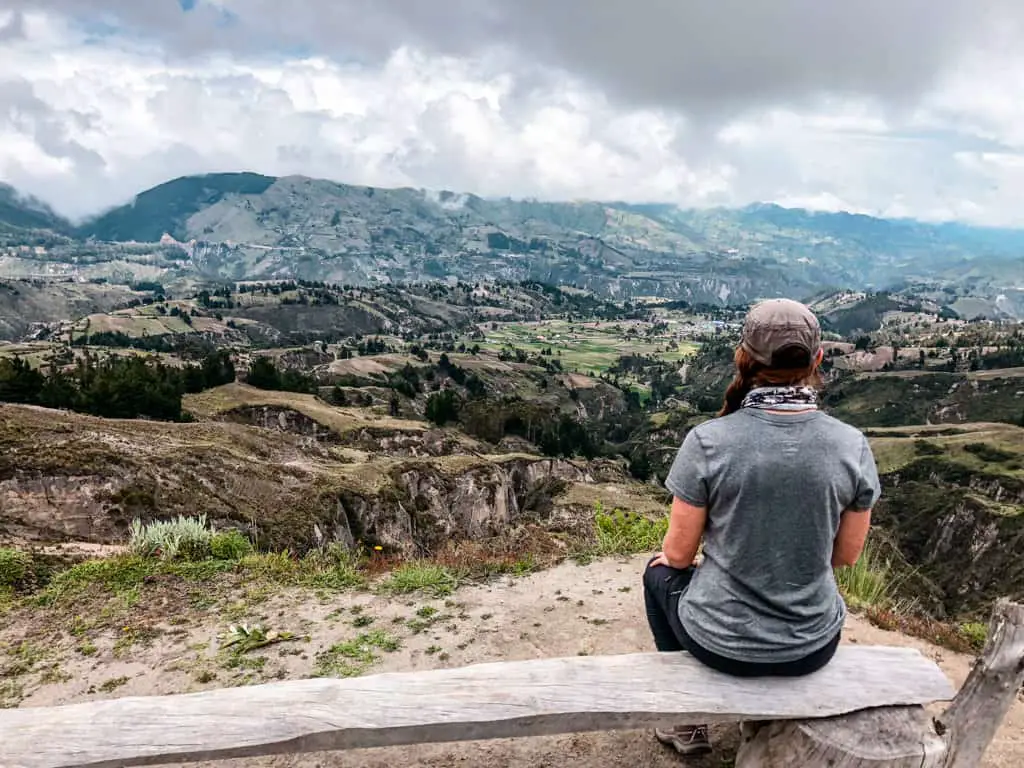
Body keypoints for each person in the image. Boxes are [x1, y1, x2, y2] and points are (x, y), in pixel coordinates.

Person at [642, 298, 881, 757]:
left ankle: (686, 721)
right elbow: (845, 557)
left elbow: (677, 556)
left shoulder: (709, 441)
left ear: (743, 358)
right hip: (811, 644)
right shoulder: (851, 445)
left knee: (657, 573)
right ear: (817, 359)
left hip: (720, 642)